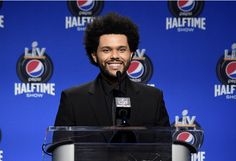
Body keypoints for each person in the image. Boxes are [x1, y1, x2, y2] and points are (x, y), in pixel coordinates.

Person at [54, 13, 170, 127]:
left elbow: (164, 144)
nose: (115, 56)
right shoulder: (73, 99)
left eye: (121, 50)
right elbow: (62, 145)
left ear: (131, 54)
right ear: (94, 55)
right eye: (106, 50)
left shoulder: (153, 98)